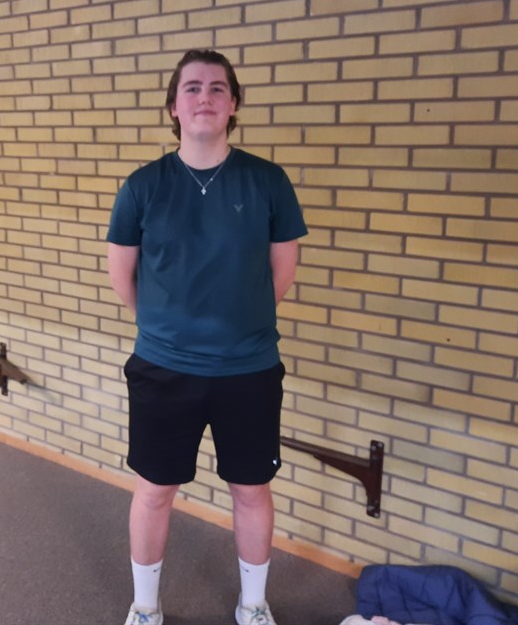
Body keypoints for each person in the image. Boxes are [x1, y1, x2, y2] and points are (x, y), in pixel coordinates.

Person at [106, 49, 308, 625]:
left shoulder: (267, 181)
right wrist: (167, 327)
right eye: (192, 88)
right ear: (173, 106)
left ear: (233, 105)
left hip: (249, 370)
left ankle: (254, 605)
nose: (204, 97)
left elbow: (282, 271)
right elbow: (122, 275)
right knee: (154, 491)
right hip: (163, 369)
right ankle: (146, 607)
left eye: (218, 88)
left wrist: (238, 321)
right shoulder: (143, 186)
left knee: (251, 490)